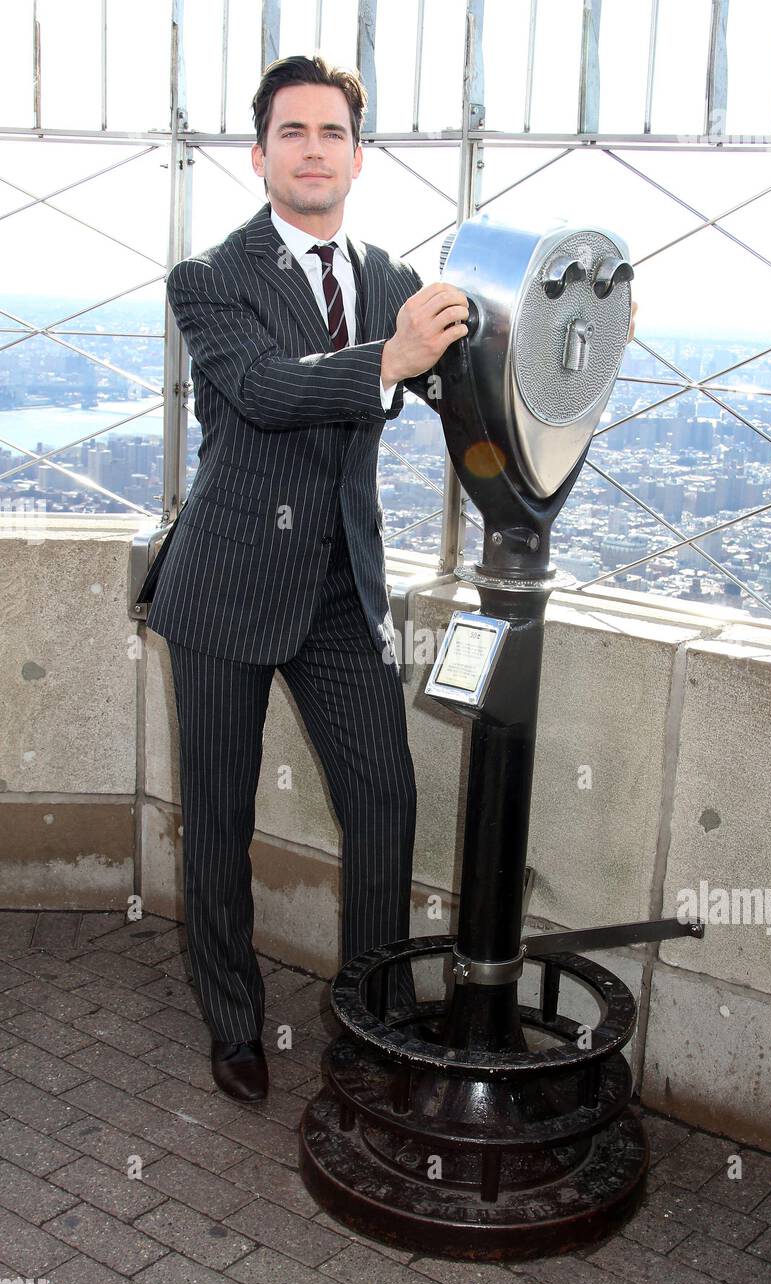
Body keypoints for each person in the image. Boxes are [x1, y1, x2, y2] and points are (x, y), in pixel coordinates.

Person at [146, 53, 469, 1103]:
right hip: (227, 588)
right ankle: (233, 1021)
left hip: (339, 591)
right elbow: (262, 390)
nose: (314, 150)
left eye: (332, 133)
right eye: (294, 133)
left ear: (359, 157)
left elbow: (465, 373)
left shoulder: (389, 277)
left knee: (385, 799)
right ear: (260, 156)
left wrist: (576, 344)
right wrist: (386, 361)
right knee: (221, 819)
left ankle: (370, 1022)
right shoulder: (209, 279)